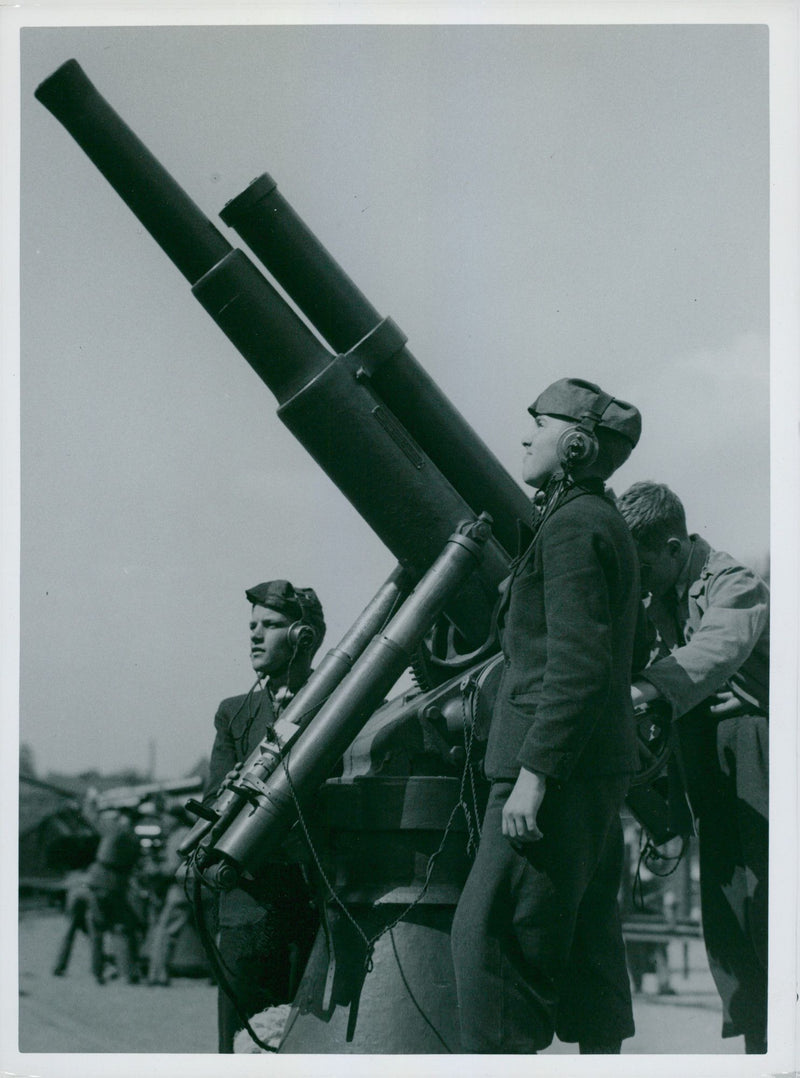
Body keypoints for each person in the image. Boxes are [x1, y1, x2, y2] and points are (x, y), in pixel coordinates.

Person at [451, 377, 643, 1054]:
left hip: (551, 773)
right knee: (587, 945)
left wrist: (536, 772)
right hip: (585, 770)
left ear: (577, 444)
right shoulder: (592, 521)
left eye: (539, 426)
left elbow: (580, 664)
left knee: (490, 948)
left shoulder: (575, 527)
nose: (526, 437)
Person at [616, 481, 769, 1053]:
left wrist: (641, 692)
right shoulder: (659, 592)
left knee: (765, 896)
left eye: (648, 566)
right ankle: (756, 1026)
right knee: (726, 904)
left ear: (677, 549)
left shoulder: (734, 583)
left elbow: (717, 649)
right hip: (708, 748)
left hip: (758, 746)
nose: (643, 581)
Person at [204, 579, 325, 1053]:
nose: (255, 635)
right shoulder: (234, 714)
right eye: (252, 625)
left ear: (303, 635)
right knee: (241, 1047)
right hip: (249, 911)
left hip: (315, 907)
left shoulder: (342, 701)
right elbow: (216, 799)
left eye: (270, 625)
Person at [83, 807, 143, 984]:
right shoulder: (135, 839)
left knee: (97, 928)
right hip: (118, 886)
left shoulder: (115, 829)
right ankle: (127, 973)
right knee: (121, 928)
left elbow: (91, 817)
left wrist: (90, 803)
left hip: (99, 882)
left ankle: (97, 972)